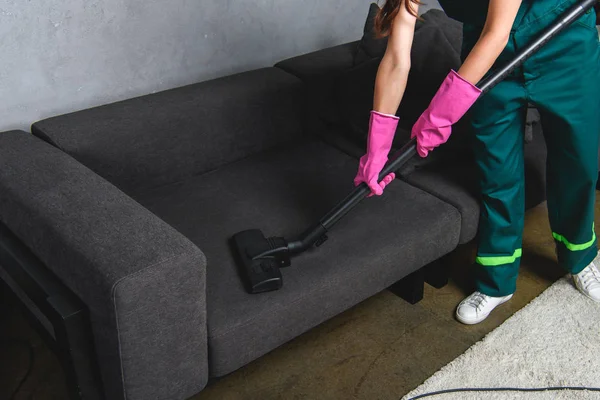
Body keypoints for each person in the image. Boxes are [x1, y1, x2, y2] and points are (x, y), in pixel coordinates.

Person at [353, 0, 600, 324]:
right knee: (497, 171)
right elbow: (397, 58)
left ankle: (579, 257)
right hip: (486, 59)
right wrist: (377, 146)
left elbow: (498, 30)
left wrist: (441, 113)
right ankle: (497, 281)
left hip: (561, 42)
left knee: (578, 162)